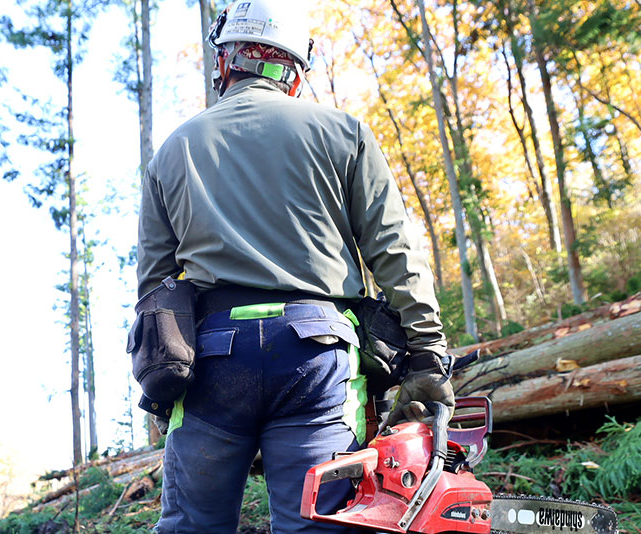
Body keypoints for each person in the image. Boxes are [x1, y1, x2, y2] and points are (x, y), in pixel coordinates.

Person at [135, 1, 453, 533]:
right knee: (319, 524)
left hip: (213, 358)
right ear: (294, 71)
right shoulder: (344, 133)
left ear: (227, 62)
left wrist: (161, 380)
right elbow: (396, 253)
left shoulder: (175, 148)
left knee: (191, 526)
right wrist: (427, 356)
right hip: (318, 354)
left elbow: (155, 286)